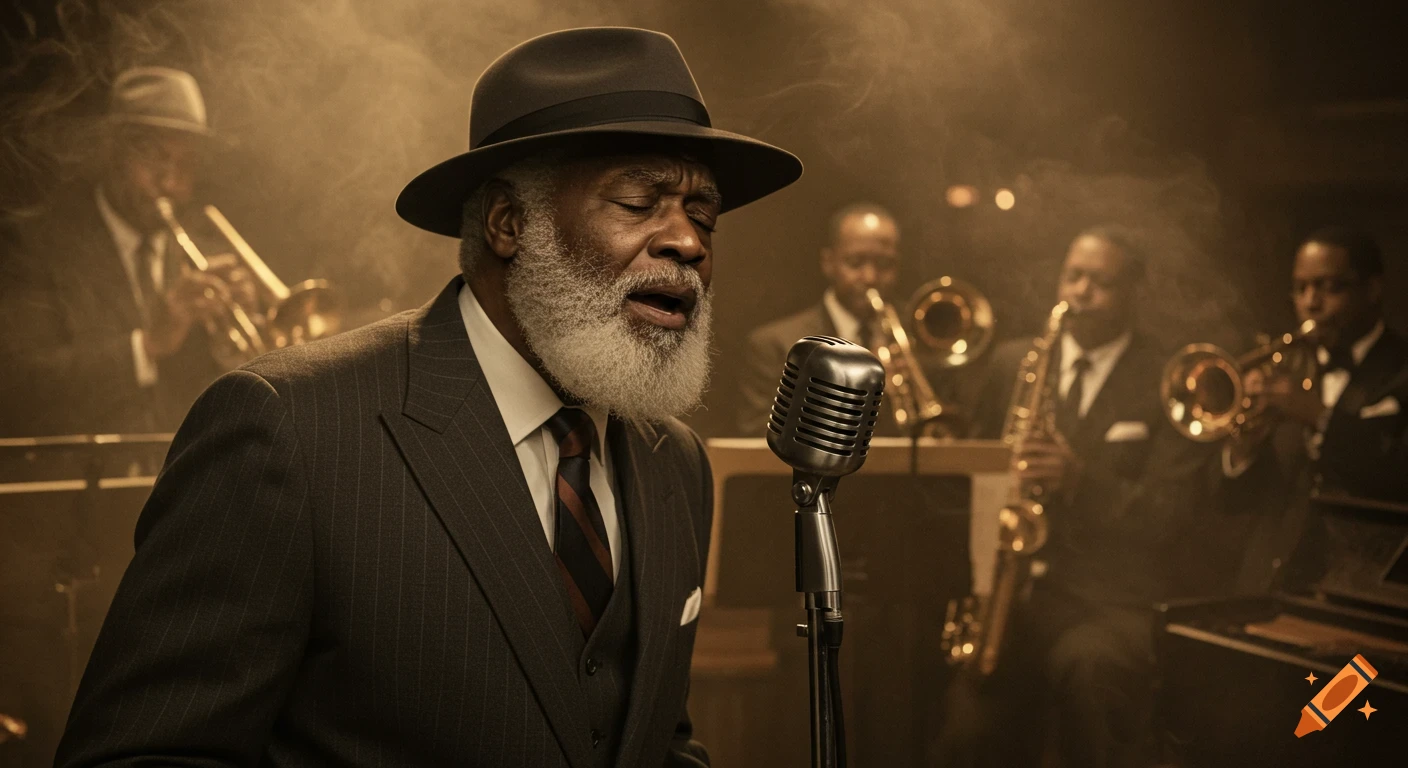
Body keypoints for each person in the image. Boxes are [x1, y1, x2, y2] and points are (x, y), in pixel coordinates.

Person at [53, 27, 801, 768]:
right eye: (641, 201)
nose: (689, 242)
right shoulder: (288, 429)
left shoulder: (676, 465)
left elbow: (653, 740)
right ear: (511, 224)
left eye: (703, 214)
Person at [936, 226, 1215, 768]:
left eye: (1101, 282)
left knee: (1091, 681)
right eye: (1074, 276)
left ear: (1135, 291)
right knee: (963, 737)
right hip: (1012, 596)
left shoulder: (1170, 377)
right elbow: (980, 480)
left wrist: (1079, 480)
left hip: (1111, 600)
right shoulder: (1011, 362)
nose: (1080, 293)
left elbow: (1171, 514)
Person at [0, 67, 233, 438]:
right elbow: (16, 388)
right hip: (77, 489)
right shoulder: (35, 246)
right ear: (111, 151)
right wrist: (146, 346)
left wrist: (239, 360)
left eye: (185, 164)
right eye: (154, 157)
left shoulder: (208, 259)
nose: (169, 182)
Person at [1223, 227, 1408, 595]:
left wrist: (1318, 416)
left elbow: (1397, 473)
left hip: (1362, 590)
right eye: (1301, 288)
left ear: (1371, 290)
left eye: (1330, 287)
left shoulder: (1401, 369)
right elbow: (1233, 504)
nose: (1311, 303)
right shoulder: (1287, 367)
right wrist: (1245, 448)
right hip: (1267, 586)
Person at [737, 202, 900, 435]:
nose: (870, 277)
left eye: (884, 264)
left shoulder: (915, 337)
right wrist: (858, 395)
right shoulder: (775, 345)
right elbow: (758, 435)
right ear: (828, 262)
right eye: (855, 262)